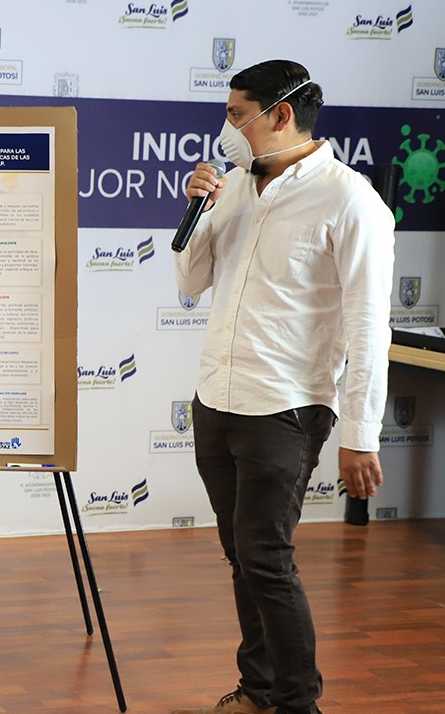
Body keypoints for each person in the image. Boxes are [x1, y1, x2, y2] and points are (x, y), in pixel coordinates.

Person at [172, 60, 394, 714]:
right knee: (242, 556)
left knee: (266, 557)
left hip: (285, 408)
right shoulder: (234, 188)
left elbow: (368, 326)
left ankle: (299, 704)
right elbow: (190, 282)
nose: (227, 128)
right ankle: (260, 688)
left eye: (237, 114)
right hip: (216, 398)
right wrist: (195, 210)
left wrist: (360, 435)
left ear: (281, 114)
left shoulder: (349, 200)